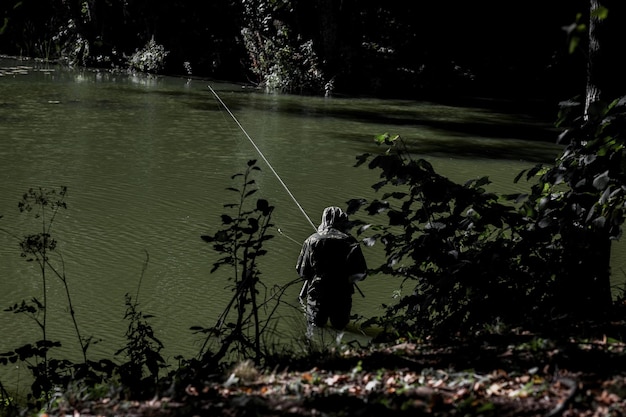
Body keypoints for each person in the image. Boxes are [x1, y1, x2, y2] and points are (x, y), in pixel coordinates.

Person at [296, 206, 367, 333]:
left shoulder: (312, 240)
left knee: (315, 328)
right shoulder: (350, 241)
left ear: (324, 220)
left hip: (318, 294)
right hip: (342, 294)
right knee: (341, 329)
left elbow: (302, 271)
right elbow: (361, 272)